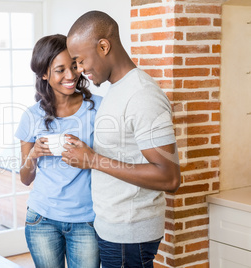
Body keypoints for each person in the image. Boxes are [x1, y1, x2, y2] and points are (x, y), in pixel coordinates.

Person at [61, 11, 181, 268]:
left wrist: (93, 160)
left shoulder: (142, 94)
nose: (80, 70)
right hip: (114, 226)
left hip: (130, 231)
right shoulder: (117, 89)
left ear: (104, 46)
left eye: (80, 61)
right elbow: (123, 151)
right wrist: (87, 153)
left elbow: (169, 177)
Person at [15, 34, 102, 268]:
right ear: (44, 73)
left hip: (87, 220)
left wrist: (89, 155)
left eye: (74, 66)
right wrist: (34, 153)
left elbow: (113, 162)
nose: (71, 75)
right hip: (42, 219)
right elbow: (25, 178)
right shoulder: (32, 116)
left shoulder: (99, 109)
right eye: (60, 70)